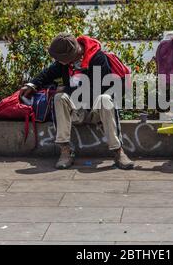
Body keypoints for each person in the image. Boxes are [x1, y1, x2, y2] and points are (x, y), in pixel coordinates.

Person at [19, 33, 135, 170]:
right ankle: (65, 151)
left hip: (96, 112)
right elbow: (48, 73)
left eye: (60, 59)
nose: (58, 61)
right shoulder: (65, 62)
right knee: (59, 98)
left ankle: (118, 151)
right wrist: (32, 85)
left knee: (105, 99)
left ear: (71, 54)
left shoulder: (97, 58)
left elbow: (101, 89)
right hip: (76, 112)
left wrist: (66, 89)